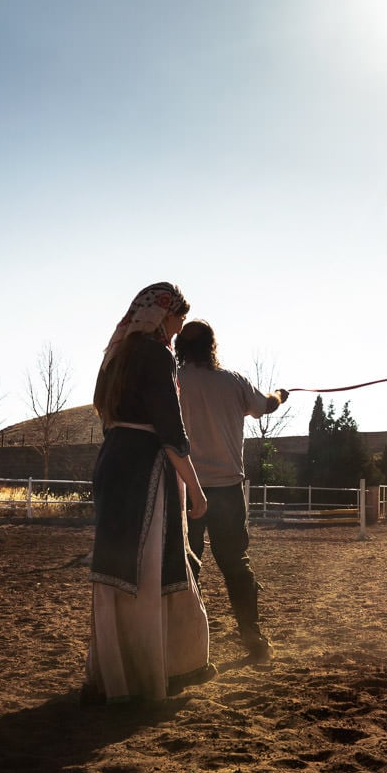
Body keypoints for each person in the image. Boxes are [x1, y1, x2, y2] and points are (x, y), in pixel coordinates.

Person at [82, 282, 216, 705]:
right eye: (176, 318)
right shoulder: (156, 355)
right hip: (145, 470)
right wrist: (196, 490)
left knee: (116, 570)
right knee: (152, 568)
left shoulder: (115, 356)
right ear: (162, 314)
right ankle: (159, 671)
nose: (177, 329)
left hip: (112, 464)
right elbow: (171, 432)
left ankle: (110, 675)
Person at [175, 320, 288, 662]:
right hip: (227, 489)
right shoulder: (233, 382)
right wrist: (281, 395)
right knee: (236, 563)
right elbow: (264, 406)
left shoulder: (174, 381)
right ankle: (252, 638)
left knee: (184, 566)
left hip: (185, 488)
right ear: (212, 345)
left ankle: (181, 644)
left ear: (181, 347)